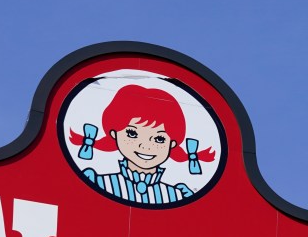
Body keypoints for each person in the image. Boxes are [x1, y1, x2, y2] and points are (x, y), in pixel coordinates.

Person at [70, 84, 216, 205]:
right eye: (132, 134)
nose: (145, 146)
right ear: (114, 134)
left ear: (172, 143)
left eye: (159, 139)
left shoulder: (178, 195)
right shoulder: (97, 182)